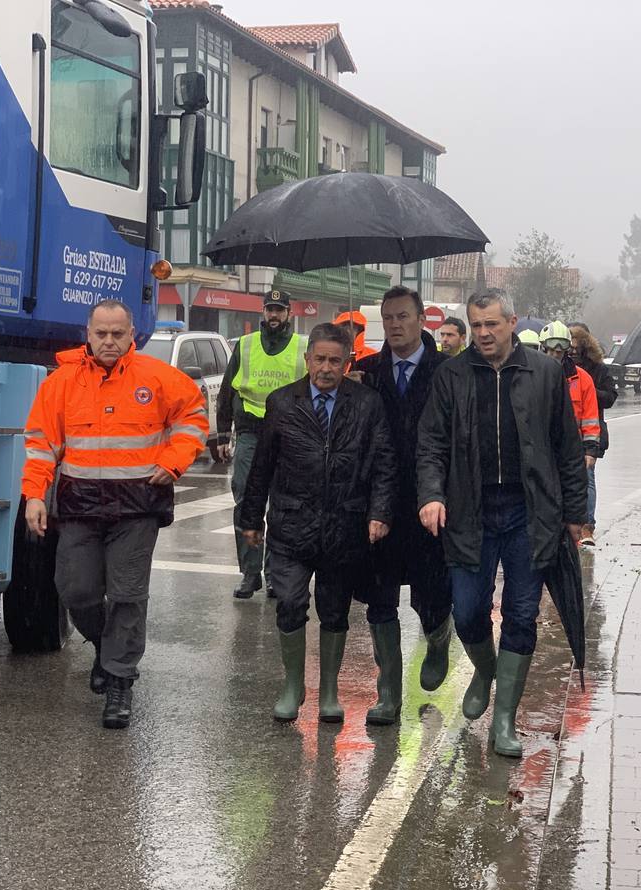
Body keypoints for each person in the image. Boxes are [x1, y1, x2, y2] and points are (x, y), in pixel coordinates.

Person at [22, 301, 209, 729]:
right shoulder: (61, 382)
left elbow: (194, 416)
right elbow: (40, 443)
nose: (109, 341)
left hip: (138, 504)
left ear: (132, 335)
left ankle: (119, 681)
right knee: (74, 589)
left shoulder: (158, 377)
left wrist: (174, 460)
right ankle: (109, 649)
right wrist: (34, 495)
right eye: (101, 333)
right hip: (80, 504)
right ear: (87, 333)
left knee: (127, 594)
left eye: (118, 334)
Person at [417, 289, 587, 757]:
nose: (484, 333)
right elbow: (431, 442)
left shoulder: (546, 373)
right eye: (477, 325)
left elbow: (567, 449)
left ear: (512, 322)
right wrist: (431, 495)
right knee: (468, 609)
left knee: (521, 613)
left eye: (492, 323)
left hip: (529, 512)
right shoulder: (452, 375)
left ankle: (505, 720)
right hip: (469, 510)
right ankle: (486, 669)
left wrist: (576, 514)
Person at [239, 323, 397, 723]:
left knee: (334, 610)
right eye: (320, 359)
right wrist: (251, 517)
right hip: (292, 523)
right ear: (307, 358)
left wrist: (380, 512)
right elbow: (262, 466)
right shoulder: (282, 402)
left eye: (335, 361)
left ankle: (328, 690)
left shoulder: (366, 403)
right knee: (290, 602)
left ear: (347, 363)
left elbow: (383, 463)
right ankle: (293, 686)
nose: (326, 368)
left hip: (344, 524)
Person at [354, 286, 453, 725]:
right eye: (388, 318)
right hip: (378, 501)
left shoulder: (448, 372)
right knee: (379, 598)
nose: (394, 325)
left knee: (430, 595)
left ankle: (437, 636)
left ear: (421, 320)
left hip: (430, 501)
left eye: (403, 317)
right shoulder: (365, 372)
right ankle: (388, 692)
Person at [216, 289, 308, 600]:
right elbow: (227, 392)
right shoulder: (245, 345)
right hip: (251, 434)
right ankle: (250, 573)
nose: (273, 315)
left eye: (279, 310)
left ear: (288, 314)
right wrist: (220, 434)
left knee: (282, 506)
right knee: (245, 499)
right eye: (270, 309)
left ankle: (274, 575)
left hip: (288, 435)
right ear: (263, 311)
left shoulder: (302, 347)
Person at [541, 322, 601, 506]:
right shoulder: (531, 374)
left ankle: (586, 529)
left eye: (560, 350)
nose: (555, 354)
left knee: (582, 495)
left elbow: (590, 417)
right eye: (551, 349)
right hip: (543, 449)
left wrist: (590, 450)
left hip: (574, 450)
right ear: (543, 347)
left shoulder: (582, 379)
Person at [568, 323, 617, 546]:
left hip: (589, 434)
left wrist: (587, 389)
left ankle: (587, 526)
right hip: (565, 434)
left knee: (587, 479)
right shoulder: (560, 366)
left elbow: (610, 397)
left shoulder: (597, 370)